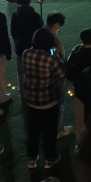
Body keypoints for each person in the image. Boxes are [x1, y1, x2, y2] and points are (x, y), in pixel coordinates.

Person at [22, 27, 66, 169]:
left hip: (32, 101)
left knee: (33, 131)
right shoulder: (51, 59)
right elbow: (62, 74)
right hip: (49, 101)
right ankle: (49, 158)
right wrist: (57, 55)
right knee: (49, 132)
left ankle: (32, 158)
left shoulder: (26, 54)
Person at [10, 0, 44, 97]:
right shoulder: (34, 15)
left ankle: (22, 92)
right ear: (29, 0)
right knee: (35, 70)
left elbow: (13, 32)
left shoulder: (15, 15)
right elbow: (40, 30)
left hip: (20, 47)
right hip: (33, 47)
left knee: (21, 71)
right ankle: (34, 90)